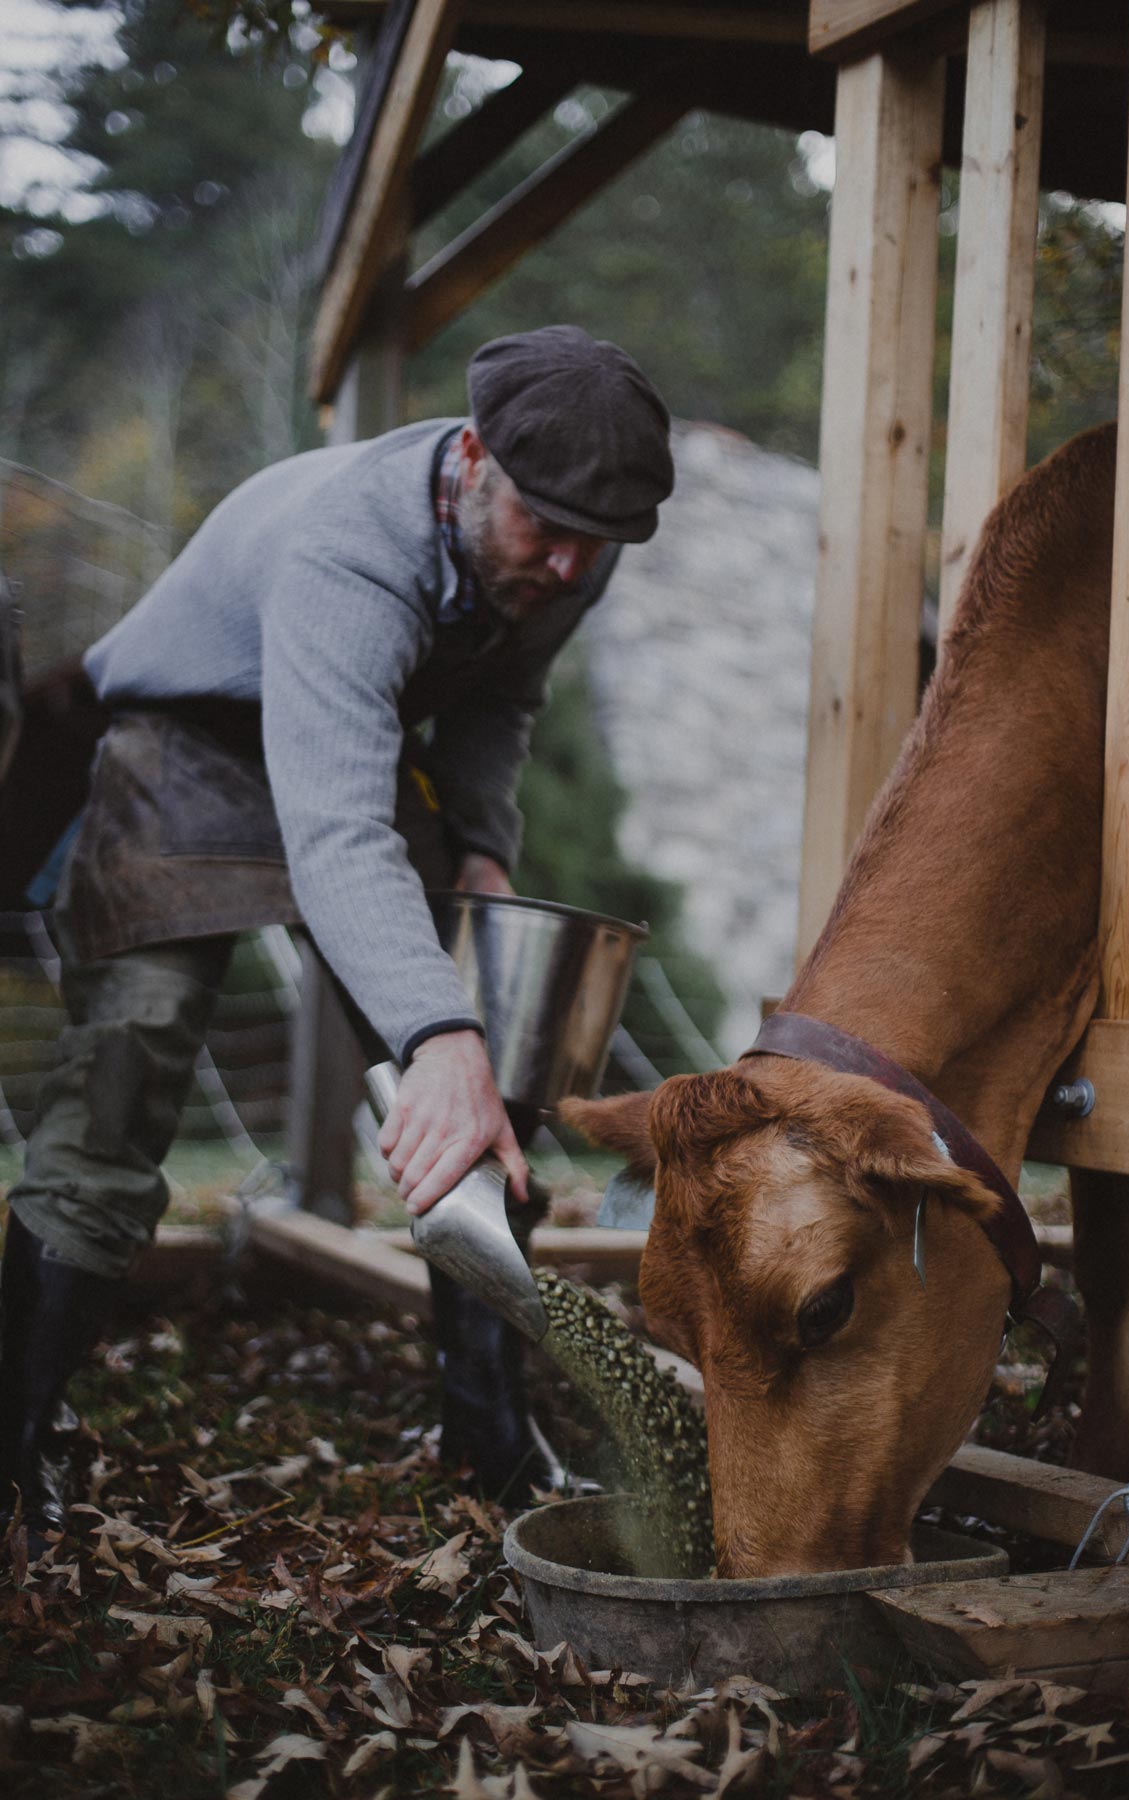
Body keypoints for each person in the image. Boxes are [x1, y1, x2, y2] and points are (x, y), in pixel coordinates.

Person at [0, 324, 674, 1538]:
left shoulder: (572, 541)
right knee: (128, 1069)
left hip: (358, 754)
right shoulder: (348, 554)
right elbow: (339, 837)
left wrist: (480, 844)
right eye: (550, 530)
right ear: (473, 459)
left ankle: (491, 1439)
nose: (574, 567)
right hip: (185, 749)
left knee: (500, 1076)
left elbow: (498, 703)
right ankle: (11, 1444)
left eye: (600, 542)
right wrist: (435, 1034)